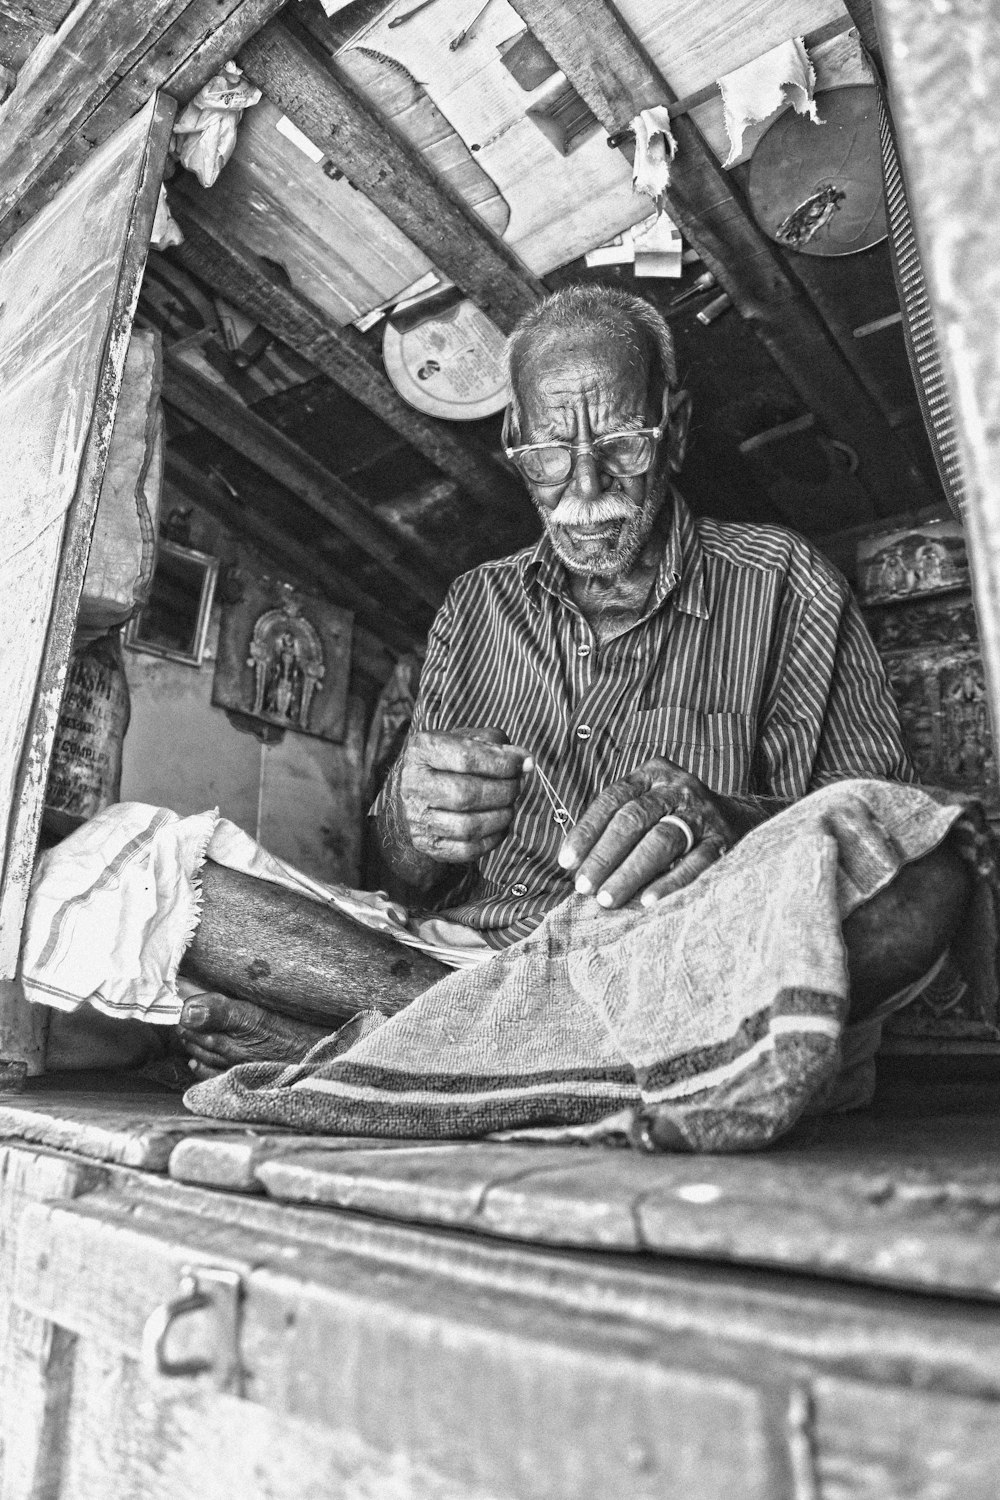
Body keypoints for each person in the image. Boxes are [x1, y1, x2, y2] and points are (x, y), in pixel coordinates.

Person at [171, 285, 969, 1081]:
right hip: (463, 964)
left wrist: (726, 816)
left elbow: (874, 838)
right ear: (516, 444)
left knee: (931, 888)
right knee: (160, 879)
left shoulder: (785, 580)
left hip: (677, 968)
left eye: (624, 439)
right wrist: (413, 828)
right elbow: (400, 881)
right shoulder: (476, 604)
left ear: (677, 430)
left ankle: (402, 1054)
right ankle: (499, 1057)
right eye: (549, 452)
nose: (586, 487)